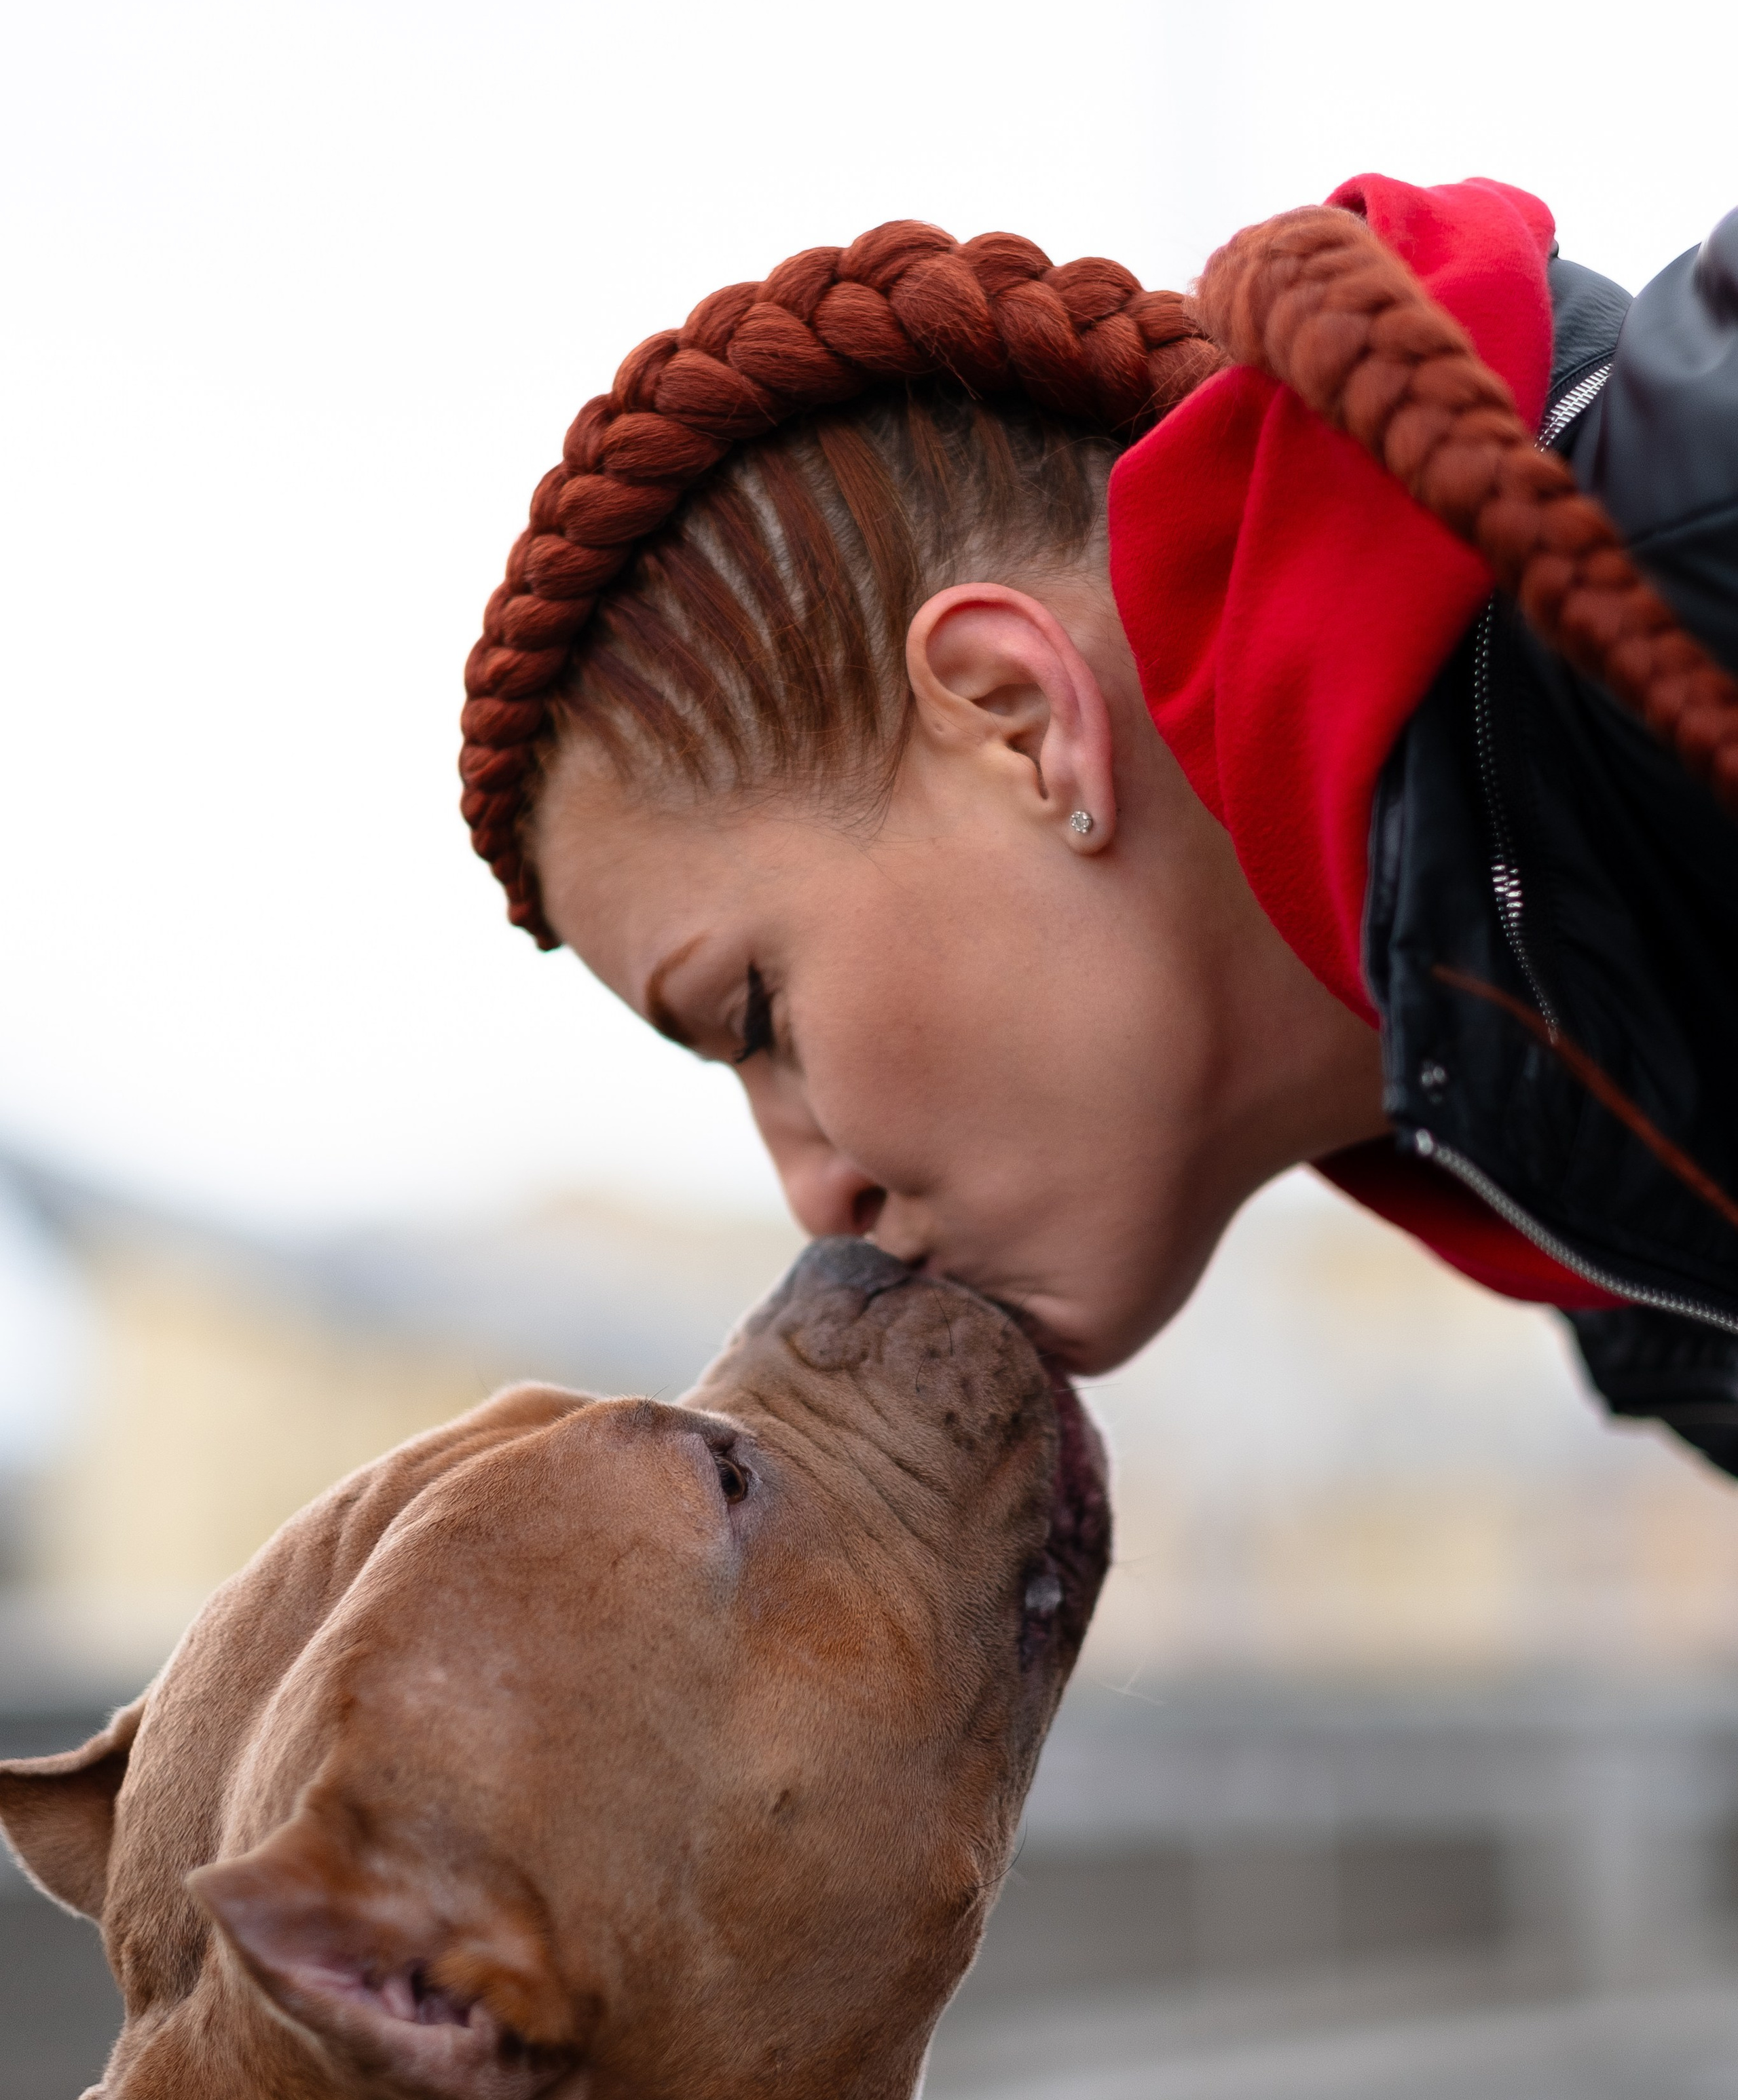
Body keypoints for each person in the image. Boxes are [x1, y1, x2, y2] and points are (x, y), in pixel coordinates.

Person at [458, 176, 1738, 1472]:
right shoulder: (1622, 1248)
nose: (816, 1198)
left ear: (1018, 722)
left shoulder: (1710, 534)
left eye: (754, 1016)